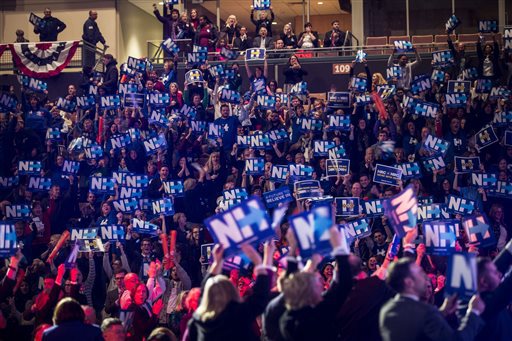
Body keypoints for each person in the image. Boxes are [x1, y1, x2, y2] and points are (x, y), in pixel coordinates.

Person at [379, 258, 485, 341]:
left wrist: (443, 311)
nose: (425, 278)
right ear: (408, 282)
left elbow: (419, 330)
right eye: (420, 273)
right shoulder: (425, 311)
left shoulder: (386, 310)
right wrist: (474, 312)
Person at [186, 242, 275, 340]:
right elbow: (261, 294)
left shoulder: (198, 320)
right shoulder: (239, 315)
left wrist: (217, 262)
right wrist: (260, 260)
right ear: (232, 292)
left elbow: (204, 291)